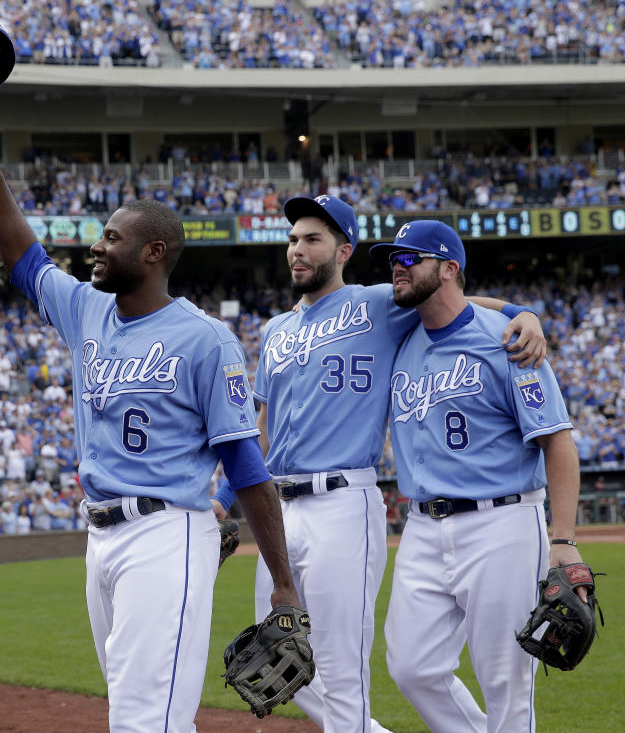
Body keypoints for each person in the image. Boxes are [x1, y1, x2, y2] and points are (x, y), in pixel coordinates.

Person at [0, 105, 300, 733]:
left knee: (146, 720)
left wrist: (282, 582)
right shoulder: (87, 309)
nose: (96, 244)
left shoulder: (205, 339)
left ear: (153, 252)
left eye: (112, 238)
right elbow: (23, 258)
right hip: (101, 537)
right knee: (137, 710)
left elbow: (245, 462)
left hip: (166, 536)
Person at [211, 198, 545, 733]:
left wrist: (518, 312)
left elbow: (454, 299)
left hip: (343, 500)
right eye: (293, 238)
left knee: (343, 668)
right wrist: (225, 497)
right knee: (277, 652)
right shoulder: (275, 330)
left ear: (343, 250)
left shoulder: (376, 304)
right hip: (280, 507)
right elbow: (261, 432)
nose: (298, 249)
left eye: (312, 239)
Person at [372, 219, 587, 733]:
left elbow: (557, 442)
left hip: (502, 523)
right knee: (412, 667)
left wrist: (564, 540)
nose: (396, 269)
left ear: (448, 269)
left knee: (506, 683)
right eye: (392, 259)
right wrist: (519, 306)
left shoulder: (508, 341)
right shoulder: (401, 335)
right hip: (422, 526)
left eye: (408, 258)